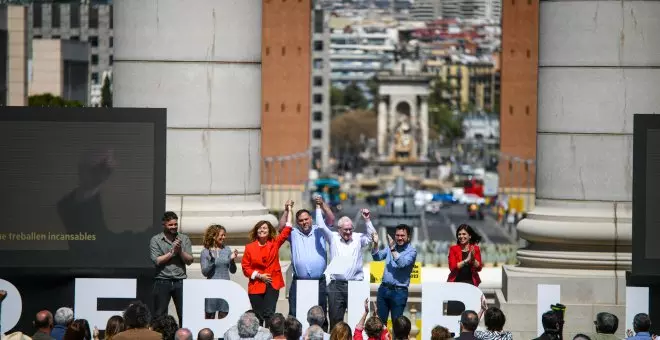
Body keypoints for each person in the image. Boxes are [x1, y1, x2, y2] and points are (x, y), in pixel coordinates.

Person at [316, 207, 376, 329]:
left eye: (350, 229)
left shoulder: (358, 238)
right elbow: (321, 226)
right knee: (335, 321)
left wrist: (367, 220)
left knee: (358, 319)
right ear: (339, 230)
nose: (348, 232)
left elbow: (372, 237)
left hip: (356, 284)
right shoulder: (332, 237)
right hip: (336, 285)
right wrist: (318, 207)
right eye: (345, 230)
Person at [278, 197, 335, 324]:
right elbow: (281, 228)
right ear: (297, 222)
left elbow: (331, 219)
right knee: (294, 314)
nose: (304, 222)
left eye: (306, 219)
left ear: (311, 219)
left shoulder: (320, 229)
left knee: (321, 315)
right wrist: (287, 210)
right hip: (299, 281)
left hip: (319, 281)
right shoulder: (293, 233)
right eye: (301, 221)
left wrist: (322, 205)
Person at [242, 210, 293, 326]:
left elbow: (287, 228)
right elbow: (245, 267)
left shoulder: (274, 243)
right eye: (260, 228)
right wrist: (259, 275)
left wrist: (288, 210)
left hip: (272, 284)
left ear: (269, 231)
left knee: (269, 314)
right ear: (256, 231)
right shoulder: (249, 247)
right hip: (256, 285)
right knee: (257, 315)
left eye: (264, 228)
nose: (262, 230)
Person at [149, 211, 193, 327]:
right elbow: (157, 260)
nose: (174, 227)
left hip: (180, 281)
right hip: (162, 280)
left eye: (175, 224)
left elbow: (189, 260)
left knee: (184, 314)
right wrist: (172, 253)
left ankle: (183, 336)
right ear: (164, 224)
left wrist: (180, 252)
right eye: (171, 225)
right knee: (160, 315)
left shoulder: (184, 238)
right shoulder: (156, 240)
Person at [371, 223, 417, 324]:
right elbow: (376, 257)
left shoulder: (412, 251)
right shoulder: (390, 247)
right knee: (379, 325)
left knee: (397, 326)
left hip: (399, 292)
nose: (399, 238)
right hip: (383, 289)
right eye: (397, 235)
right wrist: (375, 244)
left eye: (402, 235)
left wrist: (392, 248)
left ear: (408, 237)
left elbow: (402, 263)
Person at [200, 224, 238, 319]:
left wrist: (232, 259)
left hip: (225, 288)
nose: (224, 237)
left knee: (224, 316)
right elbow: (205, 272)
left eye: (224, 235)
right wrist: (212, 261)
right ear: (214, 236)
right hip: (211, 288)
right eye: (221, 235)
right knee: (210, 317)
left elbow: (233, 271)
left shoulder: (227, 249)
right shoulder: (205, 251)